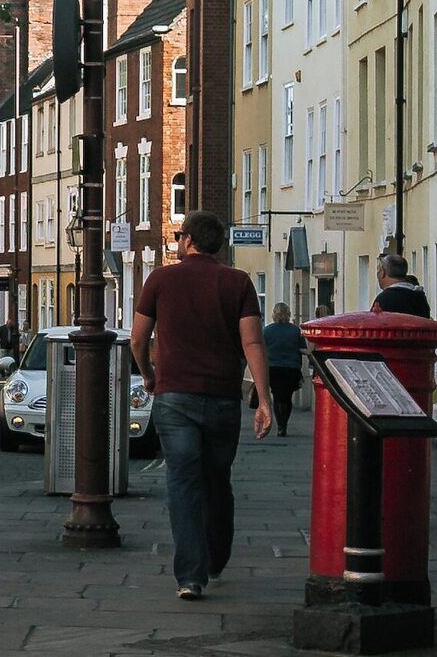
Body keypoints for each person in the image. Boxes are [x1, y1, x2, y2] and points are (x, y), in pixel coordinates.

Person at [130, 212, 281, 603]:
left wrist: (149, 374)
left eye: (180, 235)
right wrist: (264, 400)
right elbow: (253, 344)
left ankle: (190, 577)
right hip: (222, 399)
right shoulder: (238, 282)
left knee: (182, 484)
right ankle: (216, 557)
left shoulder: (161, 279)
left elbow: (137, 339)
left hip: (174, 397)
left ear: (190, 240)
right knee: (217, 480)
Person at [260, 309, 308, 434]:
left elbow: (261, 349)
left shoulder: (267, 330)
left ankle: (280, 425)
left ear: (274, 314)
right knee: (287, 398)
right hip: (291, 368)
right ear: (288, 314)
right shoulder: (295, 330)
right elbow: (302, 348)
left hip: (273, 368)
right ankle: (284, 423)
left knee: (277, 397)